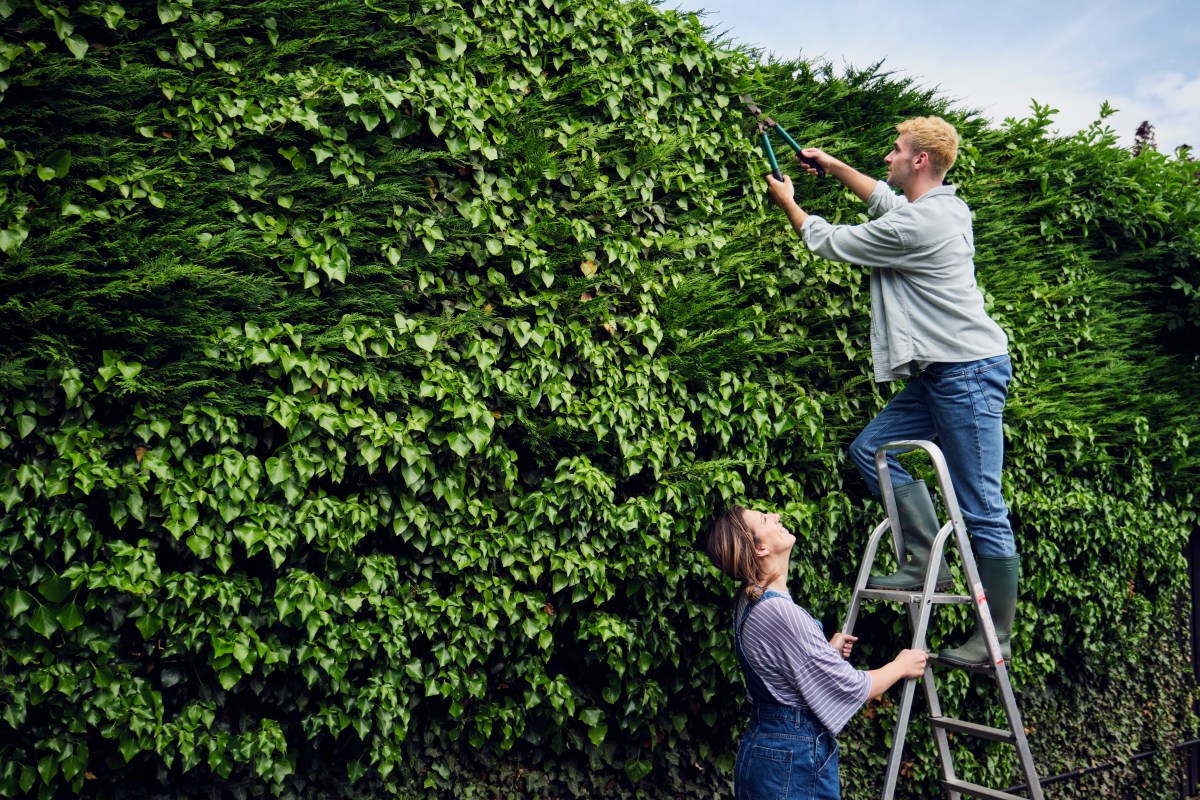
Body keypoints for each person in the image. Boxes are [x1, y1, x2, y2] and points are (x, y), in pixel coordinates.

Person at [764, 116, 1017, 668]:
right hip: (943, 373)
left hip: (968, 371)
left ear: (920, 160)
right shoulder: (942, 207)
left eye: (896, 150)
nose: (888, 157)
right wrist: (830, 167)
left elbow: (830, 240)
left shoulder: (919, 227)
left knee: (982, 506)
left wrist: (788, 200)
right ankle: (928, 558)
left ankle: (996, 636)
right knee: (872, 450)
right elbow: (884, 200)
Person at [706, 505, 927, 800]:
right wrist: (901, 666)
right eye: (764, 519)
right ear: (759, 549)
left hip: (767, 753)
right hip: (790, 759)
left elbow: (782, 665)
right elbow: (851, 686)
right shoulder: (779, 611)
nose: (776, 517)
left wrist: (824, 651)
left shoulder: (750, 600)